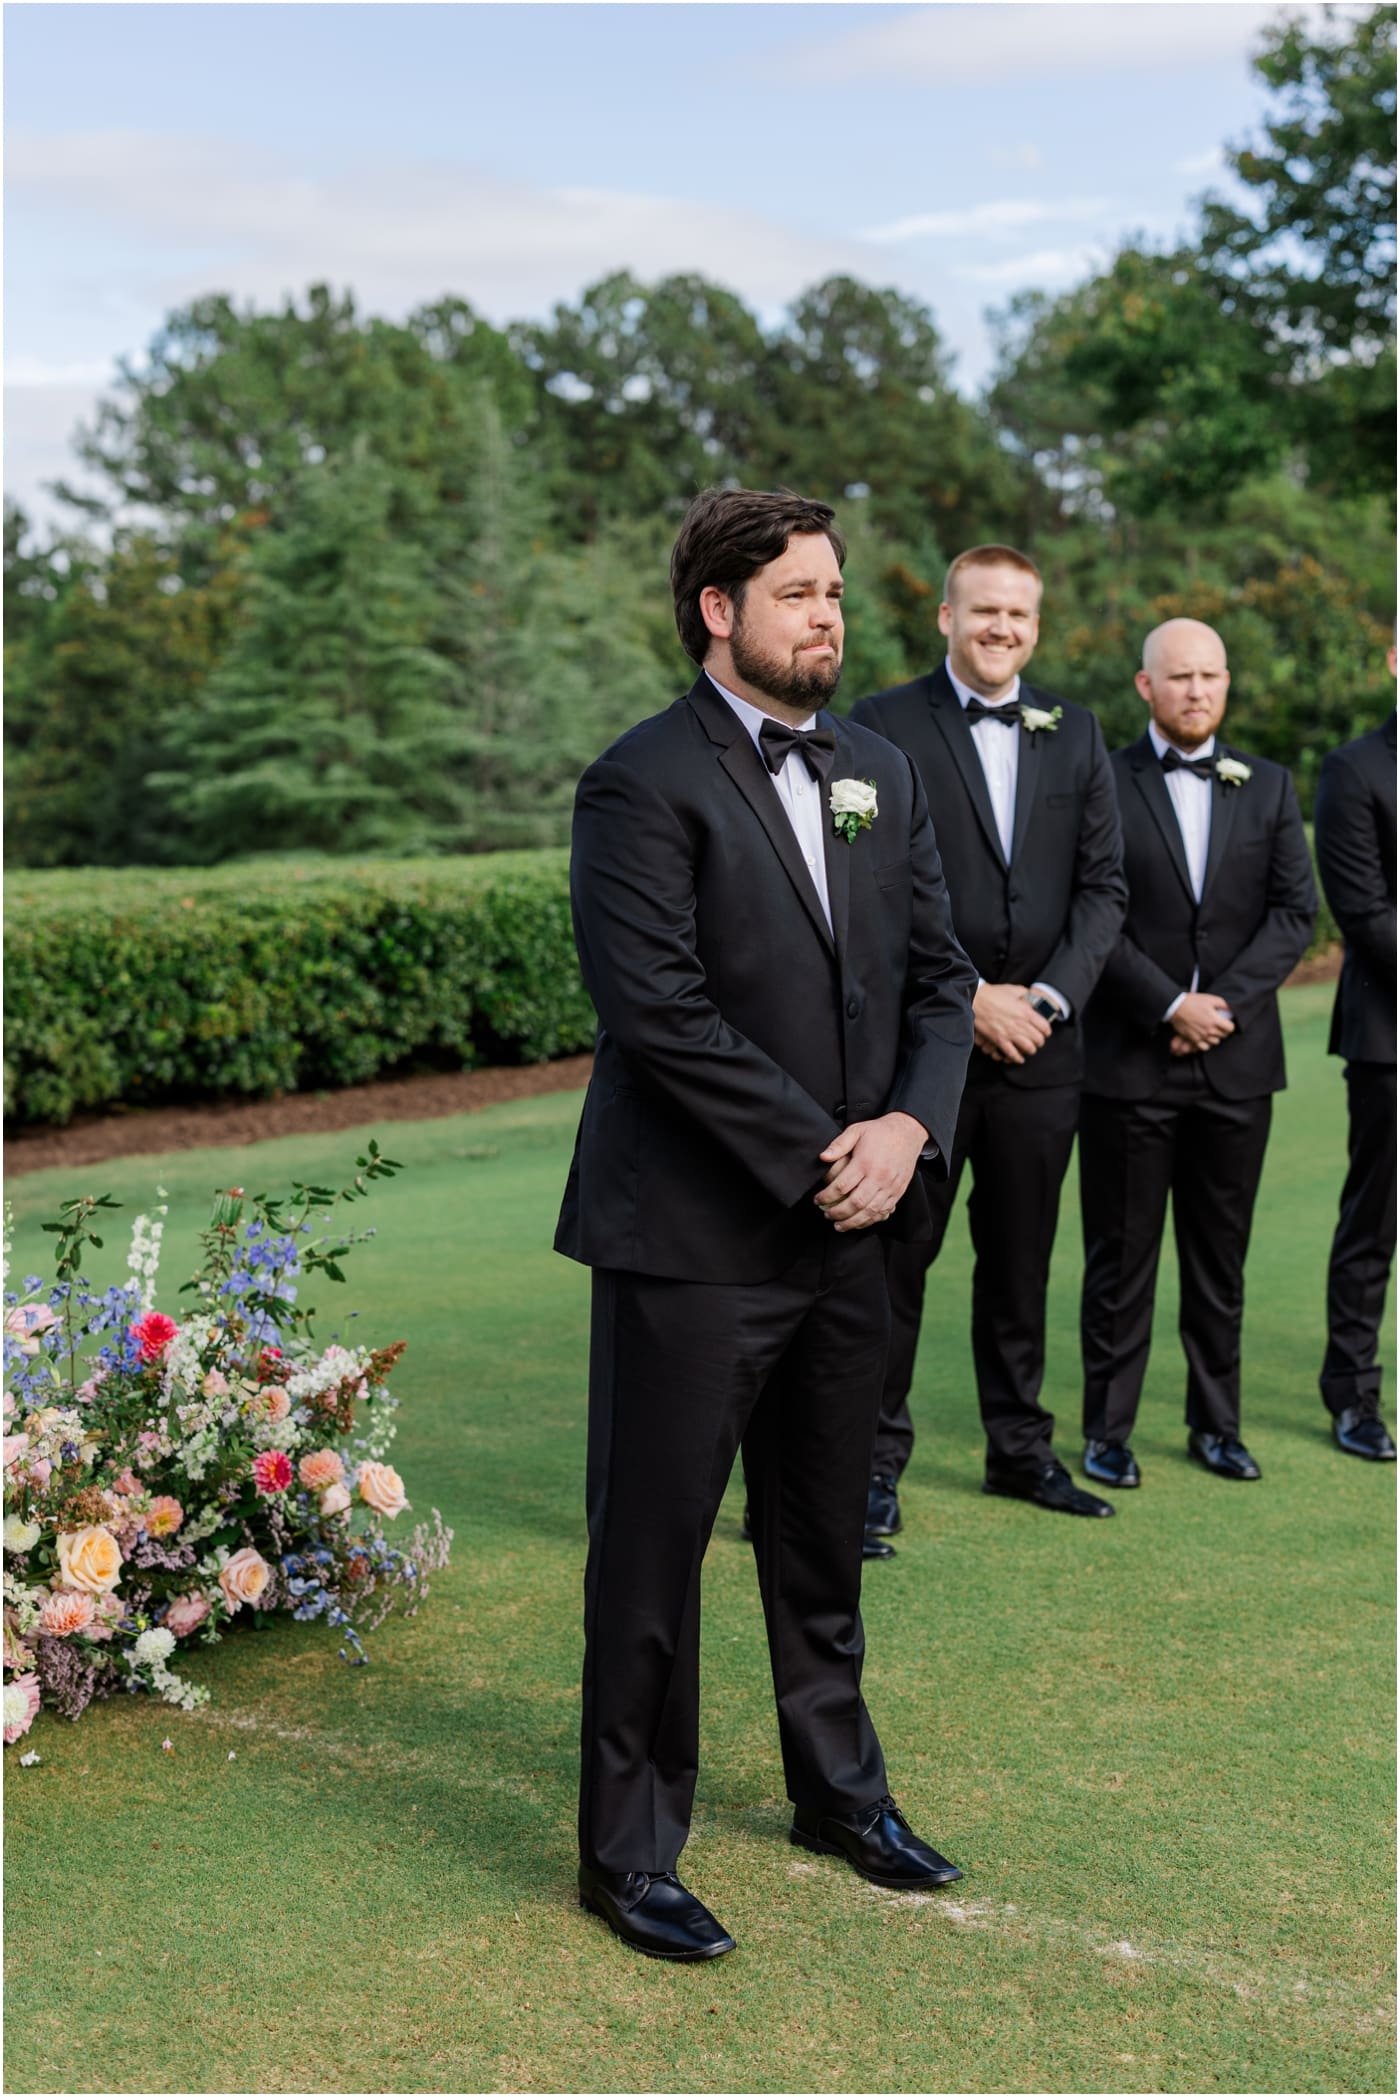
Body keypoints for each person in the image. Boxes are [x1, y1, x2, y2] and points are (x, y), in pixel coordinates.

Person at [555, 488, 978, 1962]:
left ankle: (837, 1794)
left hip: (854, 1228)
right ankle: (627, 1851)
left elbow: (941, 978)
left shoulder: (879, 770)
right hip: (691, 1239)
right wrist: (822, 1154)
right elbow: (658, 1017)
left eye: (839, 593)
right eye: (799, 593)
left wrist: (910, 1130)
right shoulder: (638, 782)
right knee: (654, 1552)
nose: (829, 617)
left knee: (822, 1537)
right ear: (718, 610)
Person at [849, 547, 1126, 1528]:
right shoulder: (878, 724)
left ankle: (1017, 1451)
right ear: (944, 618)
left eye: (1017, 614)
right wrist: (967, 1000)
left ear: (1035, 627)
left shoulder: (1075, 730)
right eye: (982, 611)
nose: (999, 628)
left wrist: (1044, 1001)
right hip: (924, 1054)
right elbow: (863, 890)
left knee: (1020, 1264)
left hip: (1042, 1055)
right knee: (896, 1263)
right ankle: (868, 1468)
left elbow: (1103, 890)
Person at [1077, 618, 1317, 1485]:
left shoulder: (1270, 783)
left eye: (1212, 676)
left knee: (1220, 1261)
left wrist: (1222, 1006)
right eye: (1180, 677)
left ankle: (1218, 1424)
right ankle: (1107, 1431)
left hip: (1237, 1066)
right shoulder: (1102, 777)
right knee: (1121, 1259)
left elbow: (1295, 912)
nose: (1198, 691)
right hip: (1128, 1065)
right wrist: (1168, 1003)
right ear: (1146, 685)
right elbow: (1093, 910)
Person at [1314, 642, 1397, 1460]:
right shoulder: (1355, 768)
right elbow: (1365, 912)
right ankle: (1353, 1392)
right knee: (1377, 1221)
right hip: (1391, 1041)